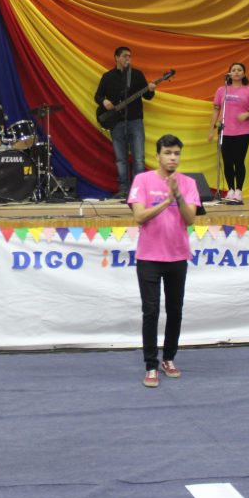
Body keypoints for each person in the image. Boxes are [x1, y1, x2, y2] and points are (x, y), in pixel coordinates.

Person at [128, 134, 199, 388]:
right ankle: (151, 365)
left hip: (177, 255)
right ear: (157, 156)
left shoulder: (188, 183)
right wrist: (166, 201)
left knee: (175, 309)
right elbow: (139, 216)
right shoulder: (142, 180)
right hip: (149, 256)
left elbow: (190, 219)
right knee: (151, 311)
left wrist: (178, 195)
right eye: (168, 153)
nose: (172, 158)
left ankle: (169, 358)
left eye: (177, 153)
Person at [95, 46, 157, 198]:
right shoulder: (108, 77)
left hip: (135, 121)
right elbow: (98, 96)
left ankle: (138, 190)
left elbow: (148, 96)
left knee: (138, 158)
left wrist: (150, 89)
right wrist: (104, 101)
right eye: (124, 56)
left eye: (129, 56)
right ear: (116, 58)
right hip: (116, 122)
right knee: (121, 159)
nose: (128, 58)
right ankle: (123, 189)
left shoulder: (137, 75)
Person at [207, 62, 249, 204]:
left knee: (238, 160)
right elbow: (216, 110)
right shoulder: (222, 90)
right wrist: (211, 130)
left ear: (244, 73)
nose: (236, 72)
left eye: (239, 70)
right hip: (225, 131)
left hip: (243, 132)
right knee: (227, 161)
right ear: (229, 73)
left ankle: (239, 190)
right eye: (234, 70)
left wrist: (246, 114)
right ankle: (230, 189)